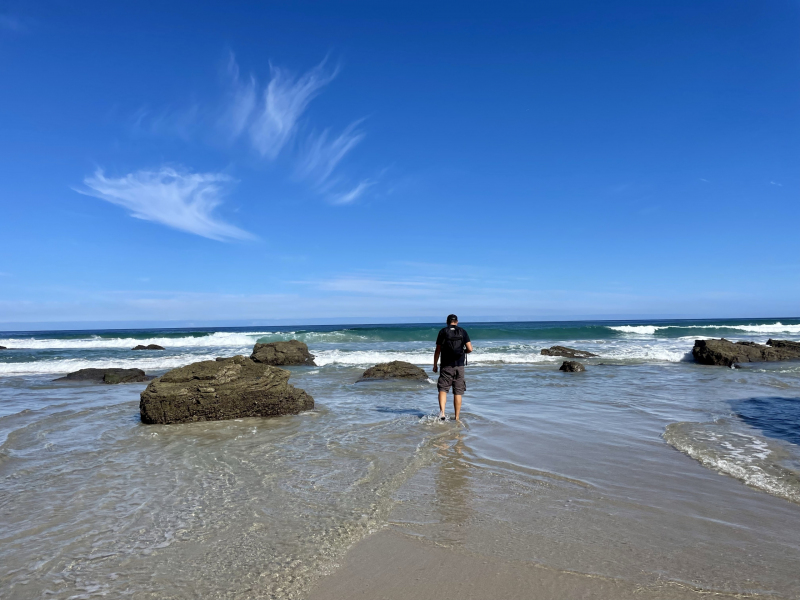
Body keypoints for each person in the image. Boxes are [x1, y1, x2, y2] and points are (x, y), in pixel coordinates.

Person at [432, 314, 473, 421]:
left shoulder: (443, 331)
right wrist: (463, 352)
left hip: (446, 365)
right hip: (459, 365)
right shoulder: (462, 331)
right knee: (458, 391)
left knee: (443, 388)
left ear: (447, 321)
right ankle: (457, 417)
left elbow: (438, 350)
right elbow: (470, 349)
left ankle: (442, 413)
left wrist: (435, 364)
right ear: (457, 322)